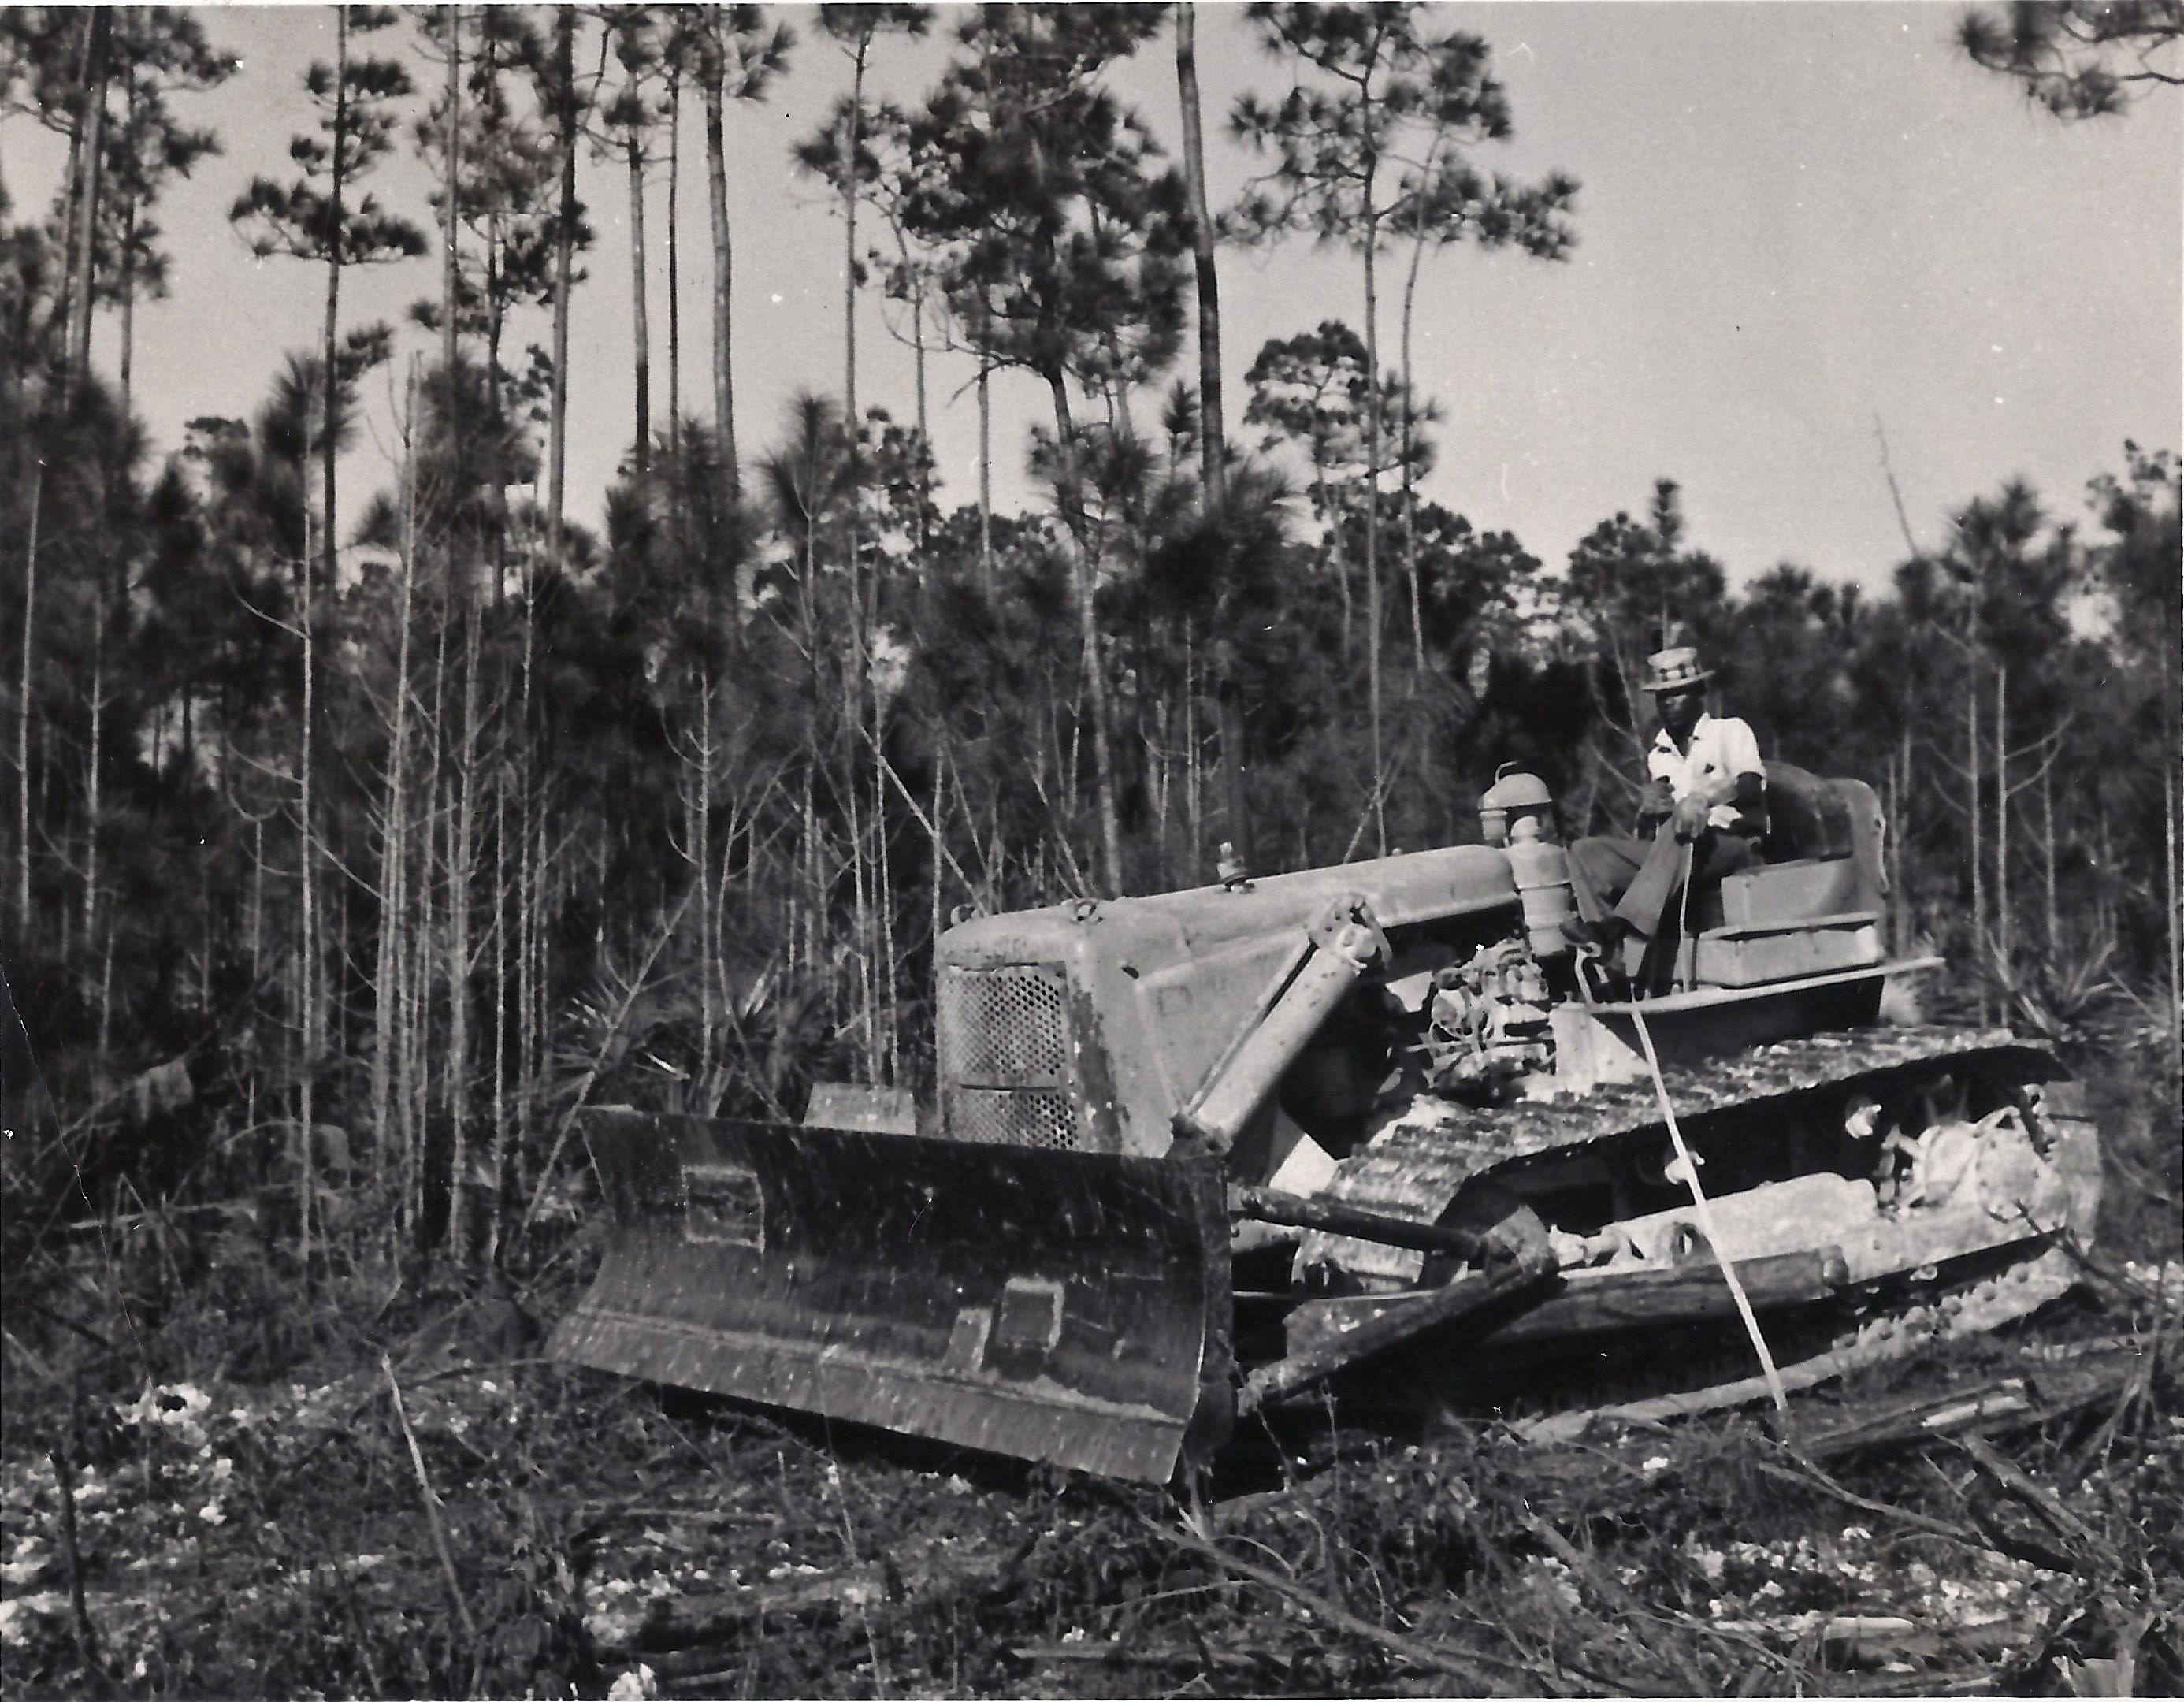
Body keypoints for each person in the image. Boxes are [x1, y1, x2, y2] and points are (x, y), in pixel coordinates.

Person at [1564, 645, 1766, 958]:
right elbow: (1658, 827)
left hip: (1730, 842)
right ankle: (1611, 961)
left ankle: (1616, 927)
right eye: (1663, 696)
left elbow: (1751, 788)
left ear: (1700, 692)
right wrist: (1648, 812)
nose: (1670, 703)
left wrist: (1704, 797)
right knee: (1586, 852)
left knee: (1682, 821)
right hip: (1678, 849)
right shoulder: (1659, 753)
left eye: (1679, 693)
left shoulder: (1729, 731)